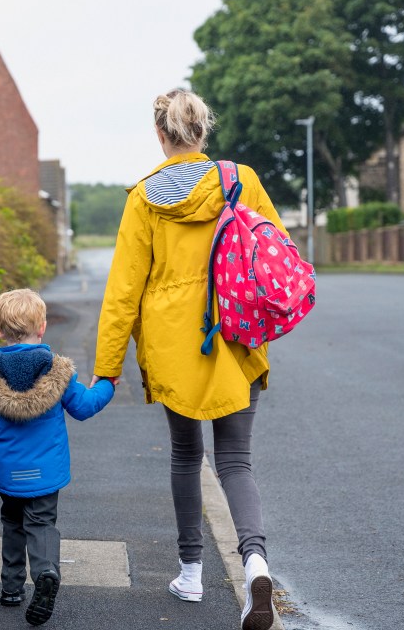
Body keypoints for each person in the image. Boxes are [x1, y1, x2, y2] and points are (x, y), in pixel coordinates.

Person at [92, 89, 280, 630]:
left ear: (160, 134)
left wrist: (107, 368)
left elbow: (124, 291)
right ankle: (255, 564)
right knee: (236, 461)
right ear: (202, 131)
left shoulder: (144, 197)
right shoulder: (239, 180)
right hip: (238, 337)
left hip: (176, 345)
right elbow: (277, 251)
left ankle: (192, 573)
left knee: (184, 455)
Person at [0, 288, 116, 627]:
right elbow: (85, 407)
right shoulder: (57, 372)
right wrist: (108, 385)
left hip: (7, 474)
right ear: (42, 328)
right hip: (46, 472)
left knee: (12, 524)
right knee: (41, 524)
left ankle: (12, 589)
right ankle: (46, 571)